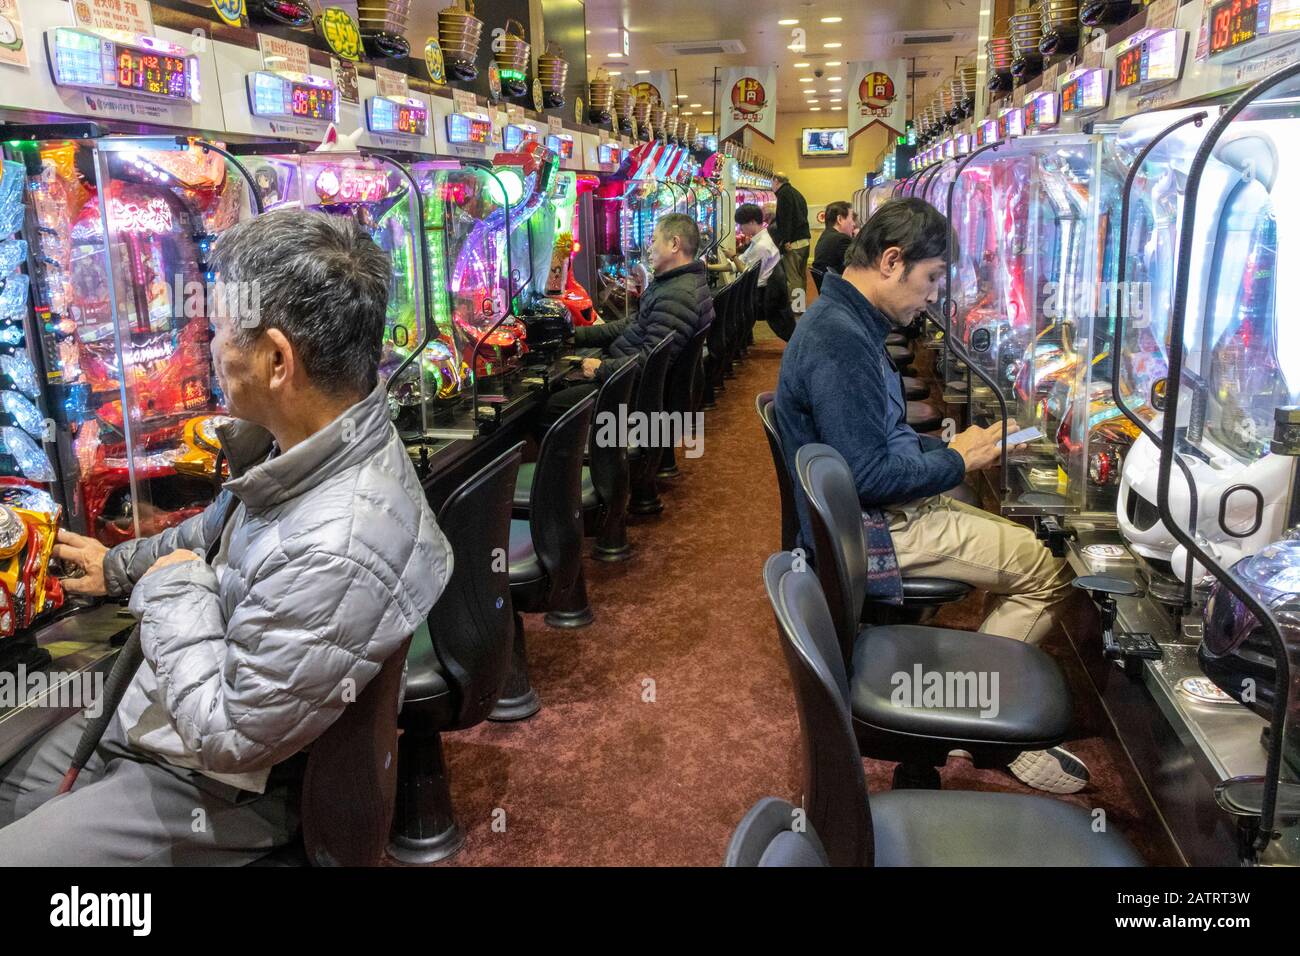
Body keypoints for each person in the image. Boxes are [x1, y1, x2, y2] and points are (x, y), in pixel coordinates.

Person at [0, 210, 453, 864]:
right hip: (175, 716)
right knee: (14, 792)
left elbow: (230, 737)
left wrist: (167, 587)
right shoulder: (317, 446)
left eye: (216, 330)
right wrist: (119, 565)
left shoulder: (336, 538)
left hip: (225, 784)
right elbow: (209, 529)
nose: (207, 346)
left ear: (276, 358)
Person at [774, 197, 1087, 794]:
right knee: (1051, 567)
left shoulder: (850, 320)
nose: (933, 296)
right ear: (892, 261)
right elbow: (867, 476)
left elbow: (877, 444)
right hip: (875, 527)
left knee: (1019, 537)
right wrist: (955, 459)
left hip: (873, 514)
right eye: (931, 278)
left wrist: (946, 447)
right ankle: (984, 722)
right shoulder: (841, 341)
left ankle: (977, 703)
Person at [549, 212, 712, 419]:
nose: (649, 248)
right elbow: (632, 323)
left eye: (653, 241)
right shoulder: (675, 284)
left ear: (674, 244)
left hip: (637, 395)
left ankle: (605, 451)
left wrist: (601, 368)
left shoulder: (677, 296)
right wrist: (576, 335)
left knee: (552, 405)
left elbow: (649, 363)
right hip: (639, 384)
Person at [769, 173, 811, 296]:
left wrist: (786, 240)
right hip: (804, 239)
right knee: (801, 275)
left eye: (772, 183)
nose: (771, 186)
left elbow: (786, 218)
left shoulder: (783, 194)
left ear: (776, 180)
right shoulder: (795, 192)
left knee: (793, 277)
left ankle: (797, 309)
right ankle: (800, 305)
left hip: (794, 242)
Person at [810, 200, 857, 292]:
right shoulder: (841, 239)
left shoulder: (826, 236)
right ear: (839, 219)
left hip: (830, 290)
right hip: (841, 292)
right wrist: (860, 238)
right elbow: (860, 265)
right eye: (851, 219)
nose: (854, 224)